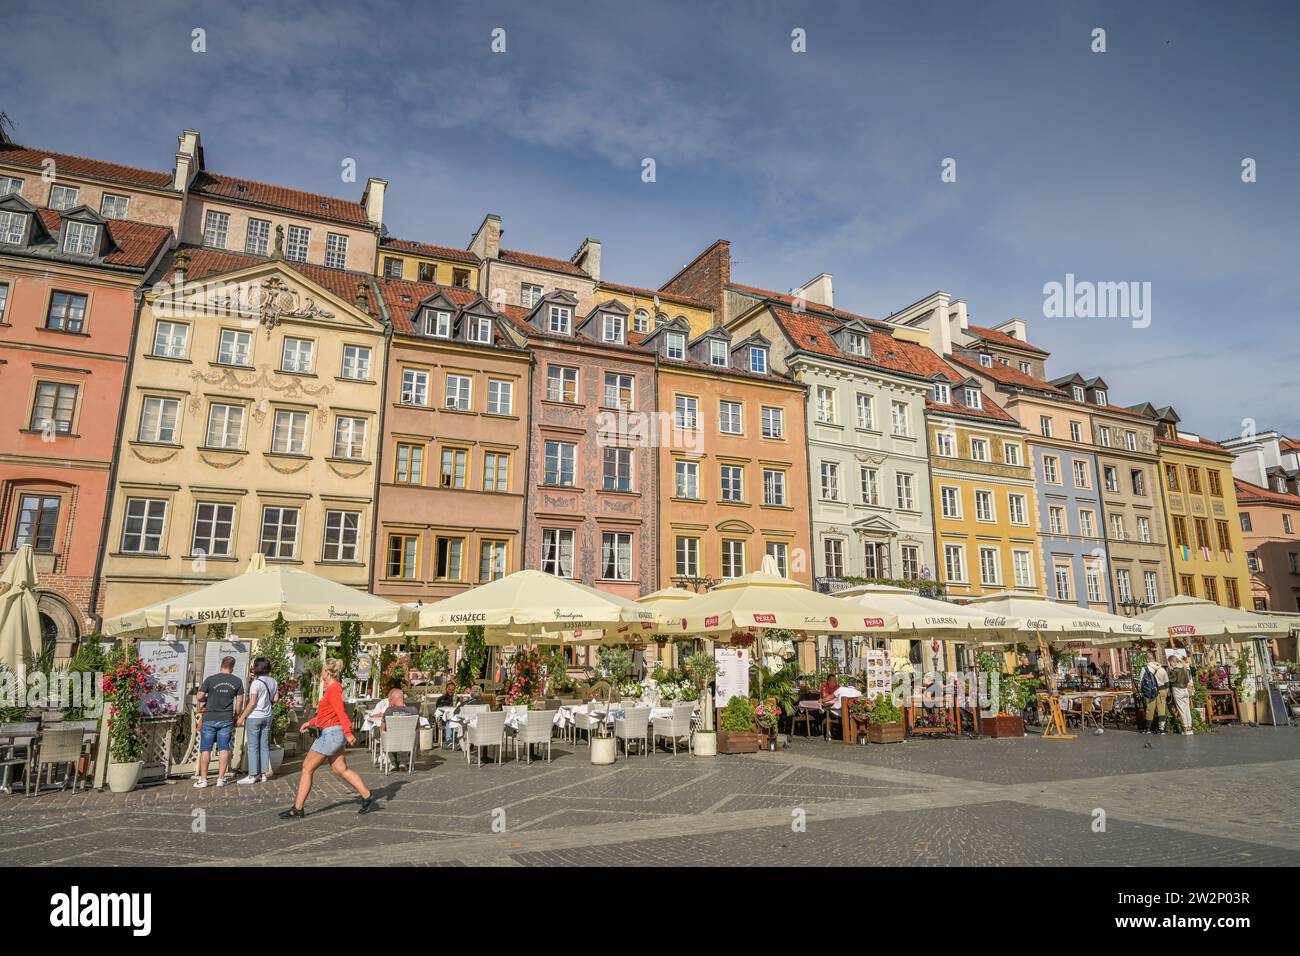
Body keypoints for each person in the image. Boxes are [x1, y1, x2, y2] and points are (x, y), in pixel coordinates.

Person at [280, 658, 375, 818]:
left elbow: (340, 712)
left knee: (307, 768)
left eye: (321, 670)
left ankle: (298, 807)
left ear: (326, 672)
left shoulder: (334, 689)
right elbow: (326, 714)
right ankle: (366, 795)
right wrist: (310, 722)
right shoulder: (332, 688)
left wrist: (348, 732)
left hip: (331, 734)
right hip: (333, 732)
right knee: (340, 769)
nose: (320, 674)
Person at [195, 656, 244, 788]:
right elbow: (239, 701)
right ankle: (221, 779)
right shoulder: (237, 681)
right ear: (232, 668)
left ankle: (203, 779)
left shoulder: (211, 679)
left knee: (205, 749)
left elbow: (199, 696)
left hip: (210, 717)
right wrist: (236, 714)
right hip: (226, 718)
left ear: (221, 665)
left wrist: (208, 697)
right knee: (224, 748)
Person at [235, 657, 278, 785]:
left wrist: (242, 717)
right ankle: (263, 774)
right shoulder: (273, 681)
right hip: (267, 716)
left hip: (255, 716)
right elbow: (275, 699)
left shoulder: (256, 683)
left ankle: (252, 775)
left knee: (253, 747)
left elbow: (252, 703)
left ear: (257, 667)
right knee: (264, 745)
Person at [1140, 656, 1170, 735]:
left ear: (1147, 659)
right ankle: (1161, 729)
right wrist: (1166, 692)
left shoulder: (1145, 668)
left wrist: (1143, 692)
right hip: (1162, 690)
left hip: (1151, 692)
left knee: (1150, 709)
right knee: (1161, 709)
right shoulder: (1161, 668)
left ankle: (1148, 728)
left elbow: (1141, 682)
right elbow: (1167, 682)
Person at [1168, 652, 1194, 736]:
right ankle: (1190, 728)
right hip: (1185, 690)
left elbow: (1172, 680)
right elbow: (1187, 680)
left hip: (1177, 689)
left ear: (1172, 661)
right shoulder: (1184, 669)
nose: (1170, 664)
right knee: (1187, 709)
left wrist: (1169, 674)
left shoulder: (1175, 670)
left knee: (1181, 709)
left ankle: (1185, 728)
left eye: (1170, 662)